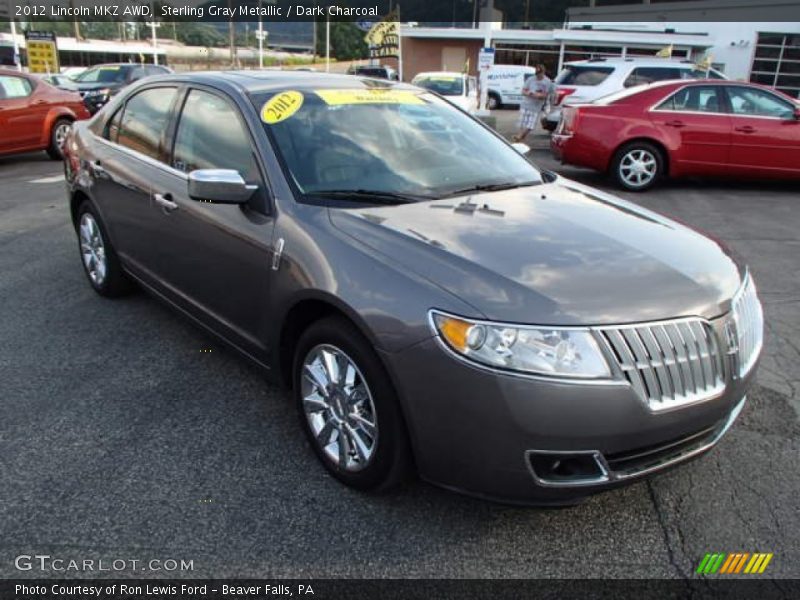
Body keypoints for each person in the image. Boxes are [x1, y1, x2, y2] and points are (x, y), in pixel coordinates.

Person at [513, 64, 553, 143]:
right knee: (522, 123)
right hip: (526, 104)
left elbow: (546, 95)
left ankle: (520, 136)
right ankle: (520, 137)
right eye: (537, 74)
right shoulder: (530, 79)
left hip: (536, 106)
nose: (538, 76)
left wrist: (538, 96)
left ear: (543, 72)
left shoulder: (547, 82)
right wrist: (529, 94)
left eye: (540, 74)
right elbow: (523, 91)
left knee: (530, 125)